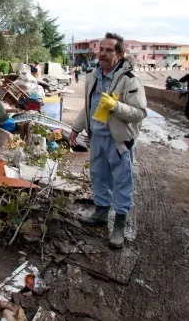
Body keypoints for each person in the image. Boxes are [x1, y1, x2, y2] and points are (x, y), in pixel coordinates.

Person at [68, 33, 147, 249]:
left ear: (120, 54)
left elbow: (140, 112)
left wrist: (116, 107)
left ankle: (119, 224)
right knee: (98, 176)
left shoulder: (129, 80)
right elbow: (89, 106)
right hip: (97, 139)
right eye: (101, 49)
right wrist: (76, 129)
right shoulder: (94, 76)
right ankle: (101, 213)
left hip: (118, 141)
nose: (102, 53)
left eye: (109, 50)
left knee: (122, 181)